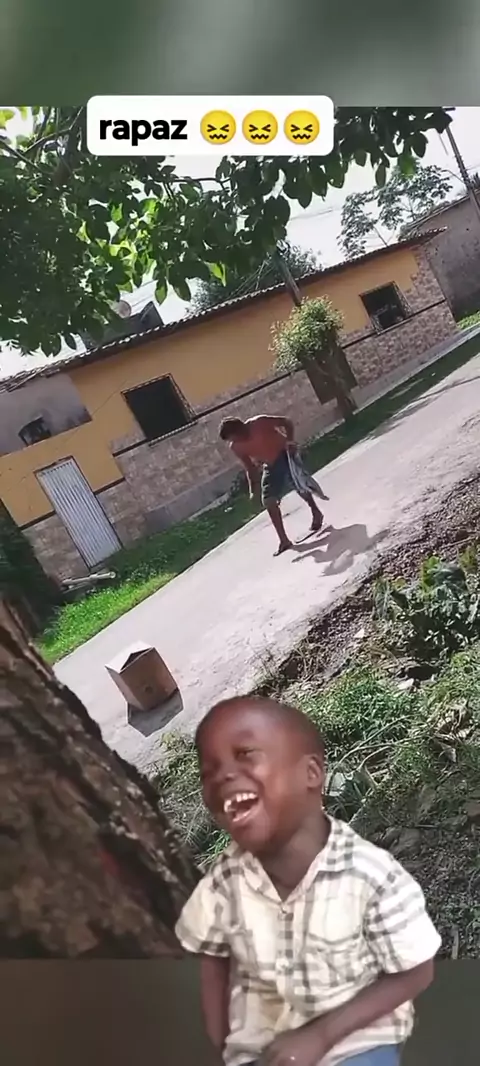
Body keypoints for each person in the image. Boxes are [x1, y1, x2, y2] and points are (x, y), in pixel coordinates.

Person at [176, 695, 441, 1066]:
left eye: (245, 755)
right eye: (209, 772)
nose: (223, 776)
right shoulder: (222, 884)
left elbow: (415, 972)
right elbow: (212, 970)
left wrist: (321, 1035)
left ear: (311, 773)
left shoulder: (368, 874)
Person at [218, 415, 324, 556]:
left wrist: (290, 441)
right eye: (232, 440)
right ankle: (284, 540)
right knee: (268, 500)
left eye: (234, 438)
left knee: (298, 485)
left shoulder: (259, 423)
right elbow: (250, 468)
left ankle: (315, 511)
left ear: (240, 429)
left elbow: (286, 422)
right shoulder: (236, 447)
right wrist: (253, 490)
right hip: (270, 466)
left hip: (285, 455)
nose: (234, 442)